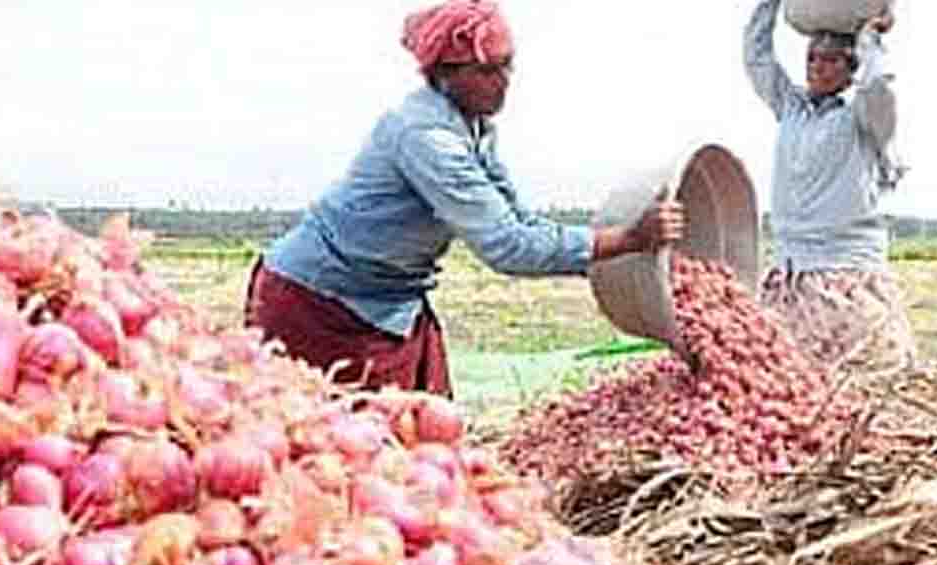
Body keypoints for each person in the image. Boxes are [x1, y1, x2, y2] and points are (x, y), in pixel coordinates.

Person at [246, 0, 686, 397]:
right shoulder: (426, 138)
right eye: (487, 70)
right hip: (321, 303)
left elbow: (519, 221)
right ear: (445, 74)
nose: (503, 82)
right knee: (350, 457)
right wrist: (628, 239)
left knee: (422, 449)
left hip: (389, 301)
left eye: (508, 66)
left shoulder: (473, 130)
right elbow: (508, 246)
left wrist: (615, 249)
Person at [744, 0, 916, 371]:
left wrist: (870, 39)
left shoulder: (865, 118)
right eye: (812, 59)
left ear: (850, 69)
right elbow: (757, 59)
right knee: (786, 386)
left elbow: (879, 87)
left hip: (846, 276)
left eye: (830, 60)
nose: (817, 68)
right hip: (792, 273)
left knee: (862, 379)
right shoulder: (792, 109)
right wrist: (768, 6)